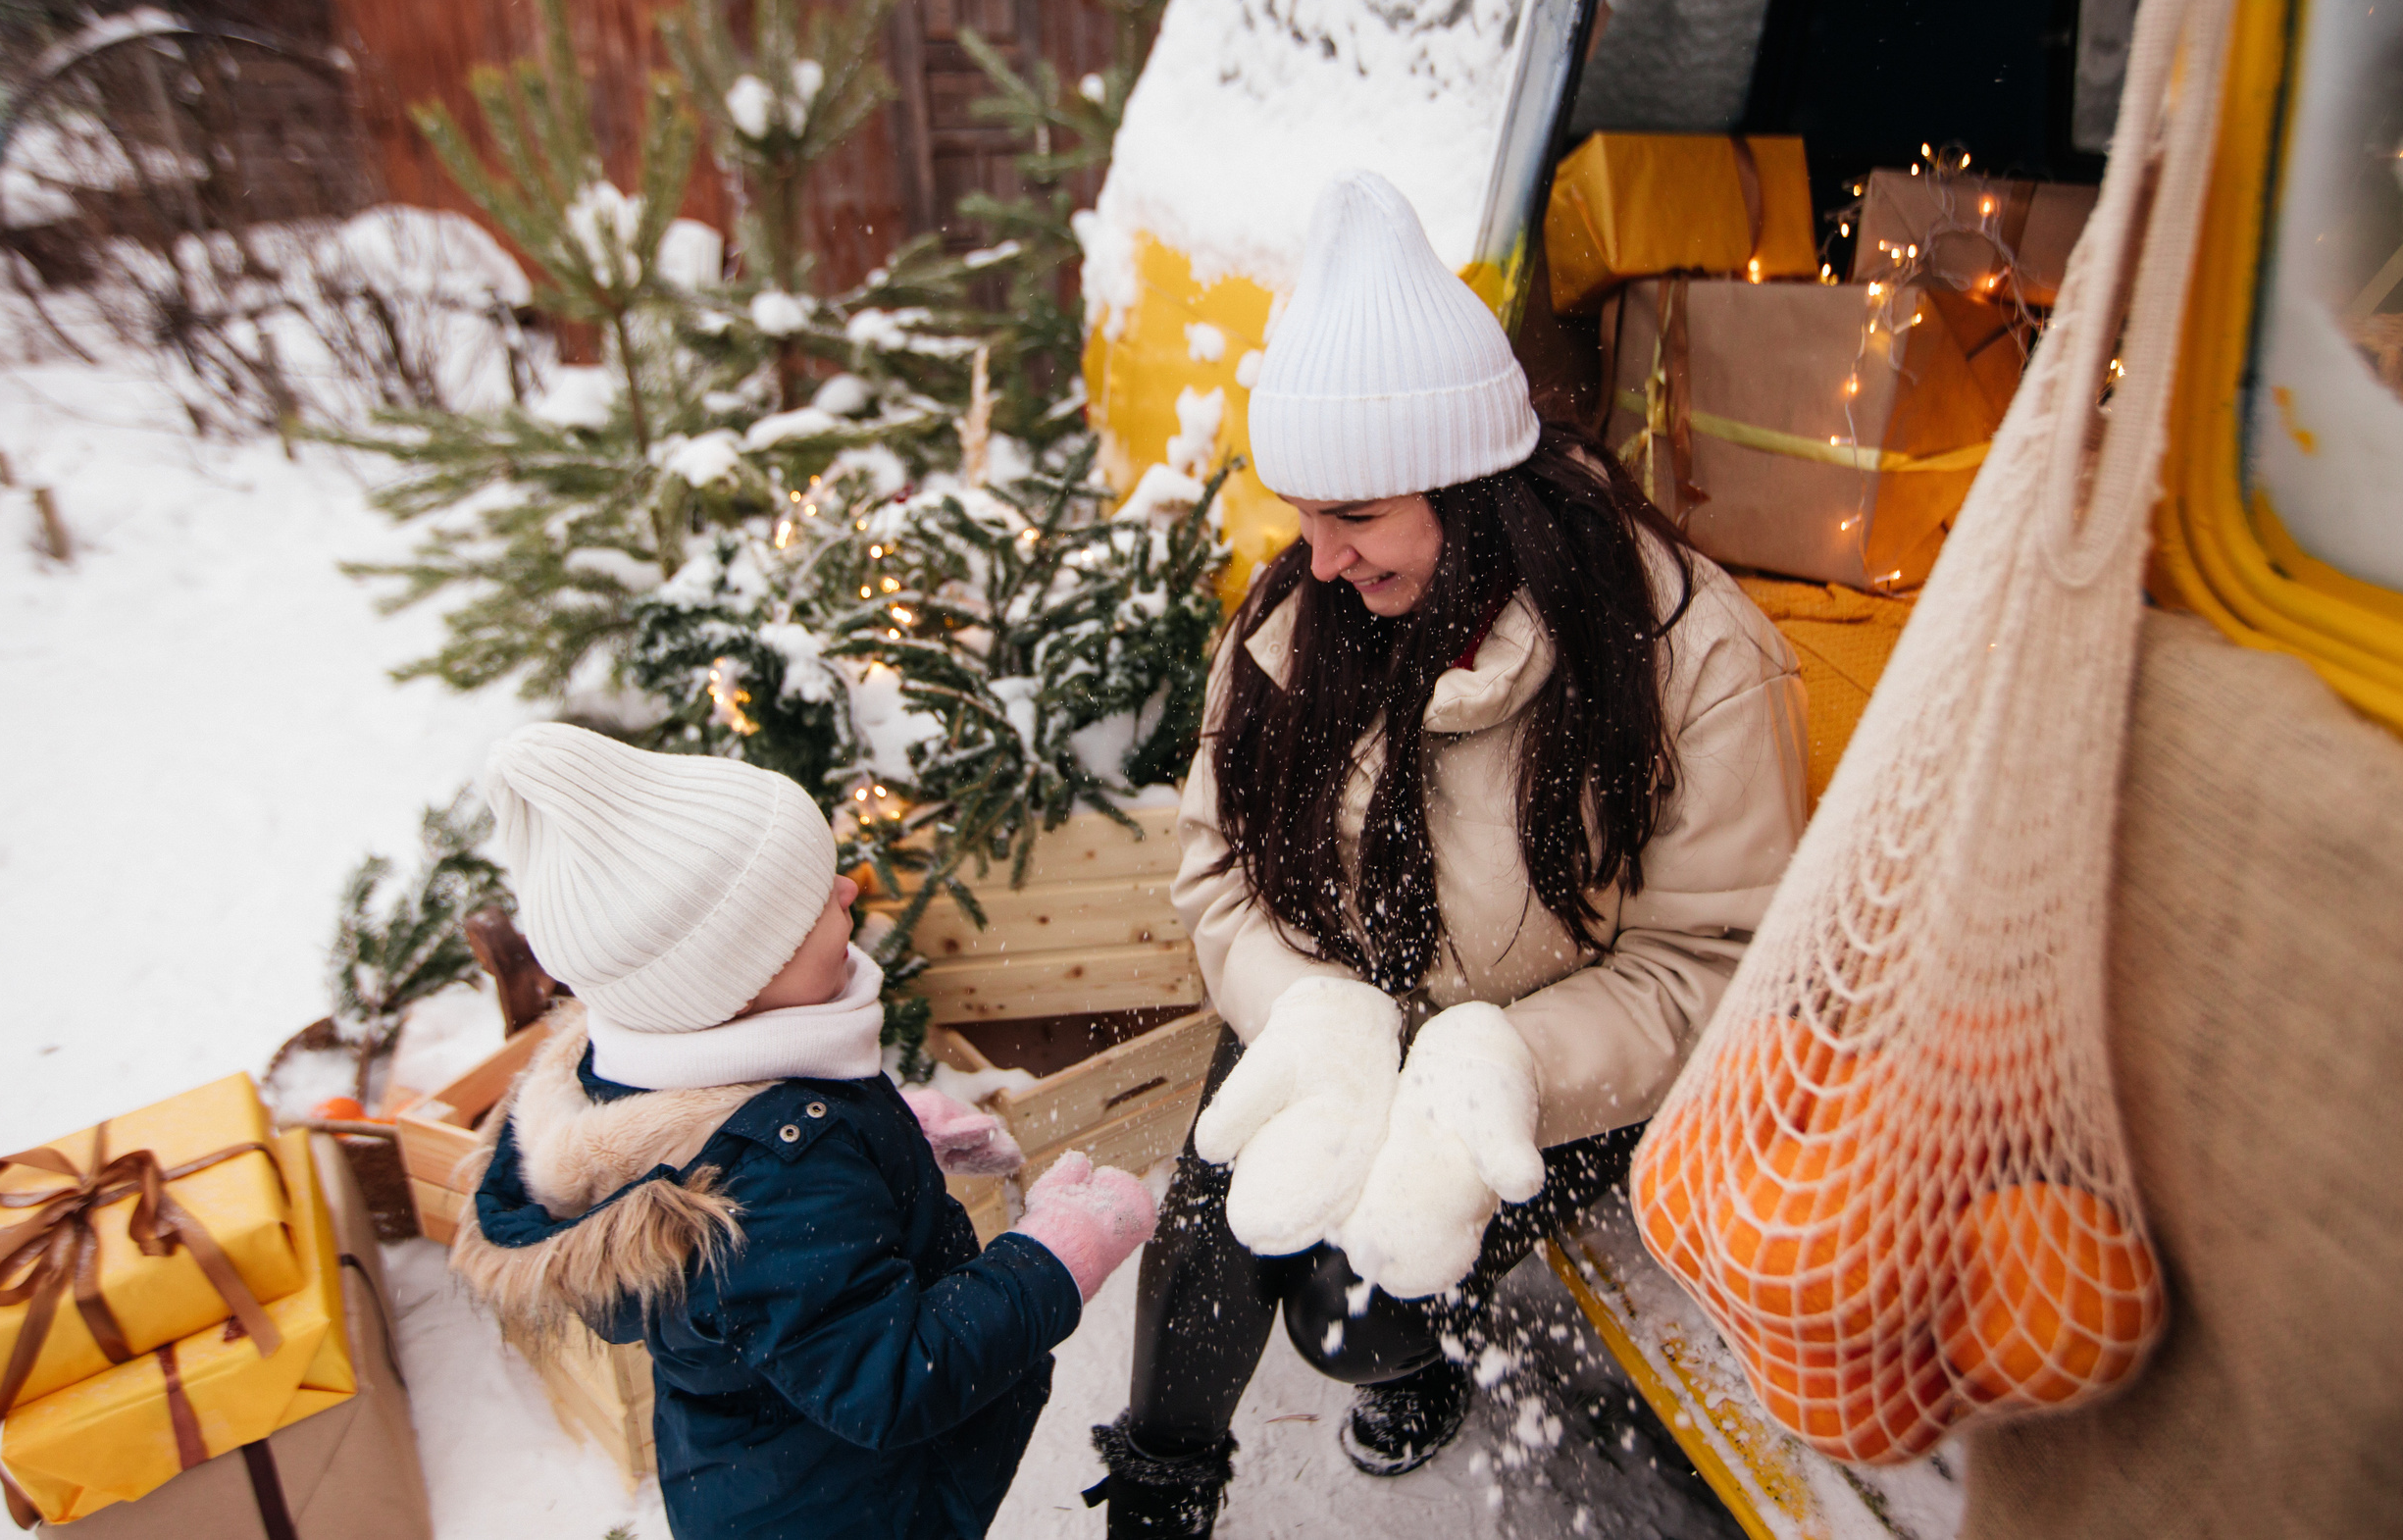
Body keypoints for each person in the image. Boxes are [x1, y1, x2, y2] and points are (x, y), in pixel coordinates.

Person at [1086, 171, 1810, 1536]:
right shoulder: (1302, 619)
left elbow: (1718, 958)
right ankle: (1160, 1482)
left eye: (1354, 514)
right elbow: (1217, 864)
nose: (1319, 557)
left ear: (1475, 485)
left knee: (1354, 1313)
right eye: (1303, 513)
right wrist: (1305, 1014)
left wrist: (1510, 1064)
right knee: (1216, 1234)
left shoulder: (1690, 656)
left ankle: (1411, 1356)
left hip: (1535, 1048)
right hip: (1345, 1004)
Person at [452, 722, 1157, 1540]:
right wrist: (1052, 1256)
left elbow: (768, 1226)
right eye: (817, 894)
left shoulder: (656, 1090)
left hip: (763, 1484)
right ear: (742, 973)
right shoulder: (771, 1175)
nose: (852, 888)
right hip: (851, 1513)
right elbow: (891, 1379)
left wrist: (886, 1140)